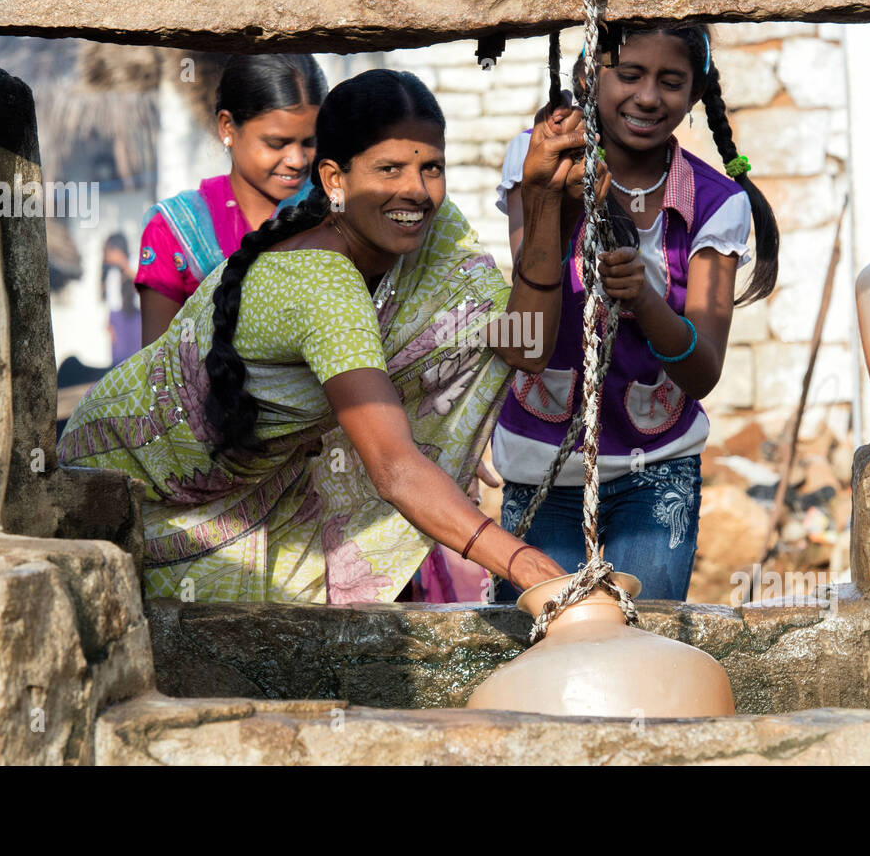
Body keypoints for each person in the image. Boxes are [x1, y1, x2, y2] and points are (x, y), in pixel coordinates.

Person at [57, 68, 616, 604]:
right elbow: (395, 467)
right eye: (388, 169)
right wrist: (533, 569)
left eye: (431, 169)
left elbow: (525, 345)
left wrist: (544, 202)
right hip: (131, 488)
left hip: (253, 490)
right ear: (333, 180)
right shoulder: (320, 282)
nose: (416, 191)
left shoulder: (430, 234)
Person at [493, 22, 780, 602]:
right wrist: (552, 202)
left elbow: (702, 371)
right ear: (587, 75)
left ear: (695, 94)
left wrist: (646, 299)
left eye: (671, 81)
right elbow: (525, 346)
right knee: (540, 649)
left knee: (639, 641)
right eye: (629, 74)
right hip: (541, 467)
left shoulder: (716, 203)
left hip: (659, 472)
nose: (648, 96)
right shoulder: (539, 161)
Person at [136, 54, 324, 346]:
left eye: (309, 142)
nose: (297, 160)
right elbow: (155, 368)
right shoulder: (174, 231)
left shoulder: (330, 213)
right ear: (227, 127)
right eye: (277, 143)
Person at [103, 232, 141, 366]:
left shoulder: (136, 262)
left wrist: (125, 267)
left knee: (137, 360)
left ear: (118, 249)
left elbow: (144, 285)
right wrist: (109, 324)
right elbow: (111, 303)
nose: (106, 256)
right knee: (119, 363)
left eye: (109, 251)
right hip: (119, 321)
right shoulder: (113, 273)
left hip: (137, 319)